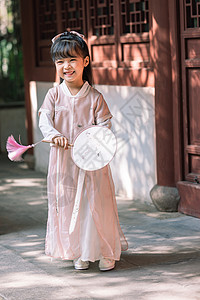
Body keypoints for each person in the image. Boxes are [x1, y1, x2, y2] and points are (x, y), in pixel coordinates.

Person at [38, 31, 128, 271]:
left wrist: (93, 143)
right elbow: (45, 121)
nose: (66, 66)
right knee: (68, 204)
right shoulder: (53, 95)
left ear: (85, 61)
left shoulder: (95, 97)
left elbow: (105, 127)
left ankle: (104, 251)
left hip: (92, 163)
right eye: (60, 61)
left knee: (94, 204)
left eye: (72, 60)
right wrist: (54, 135)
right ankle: (80, 251)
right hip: (64, 161)